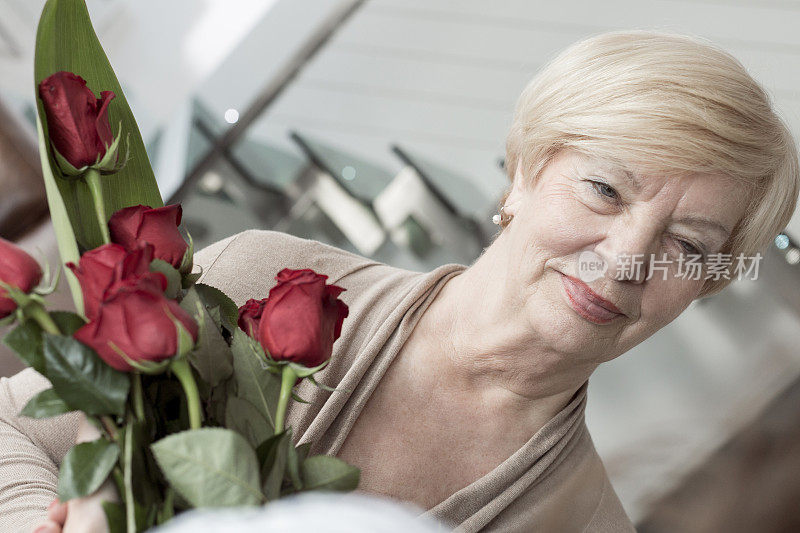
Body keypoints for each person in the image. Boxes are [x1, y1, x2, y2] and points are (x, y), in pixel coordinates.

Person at [7, 29, 799, 532]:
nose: (627, 257)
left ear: (707, 285)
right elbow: (12, 426)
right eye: (604, 190)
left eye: (688, 245)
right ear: (522, 174)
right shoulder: (267, 280)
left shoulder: (587, 524)